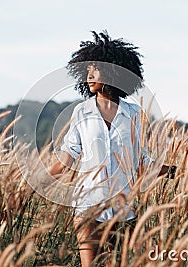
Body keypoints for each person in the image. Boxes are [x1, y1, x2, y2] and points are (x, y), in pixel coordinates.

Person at [48, 31, 174, 267]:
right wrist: (38, 180)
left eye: (95, 69)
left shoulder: (134, 114)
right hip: (88, 206)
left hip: (123, 209)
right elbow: (68, 159)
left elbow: (141, 160)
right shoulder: (81, 112)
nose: (90, 74)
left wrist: (176, 172)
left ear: (113, 70)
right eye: (87, 70)